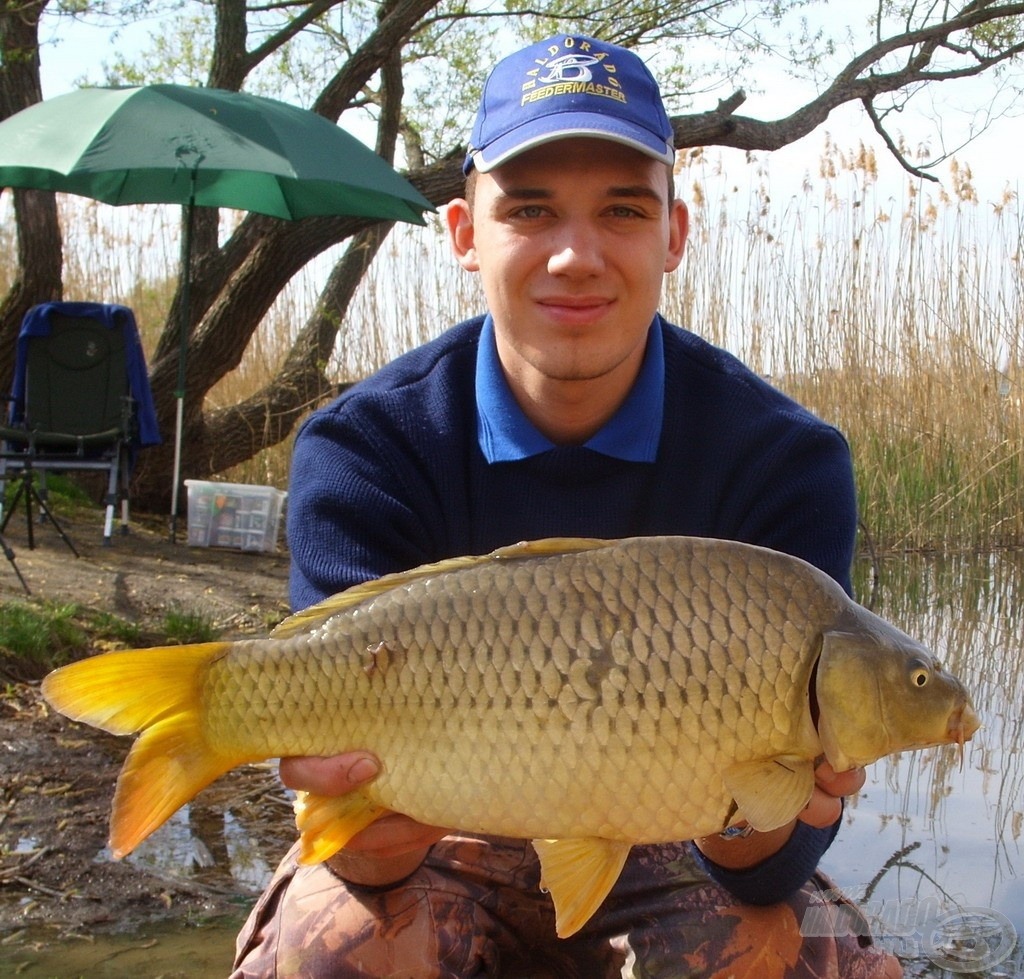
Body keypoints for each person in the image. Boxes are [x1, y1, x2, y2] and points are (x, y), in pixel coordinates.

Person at [233, 33, 901, 978]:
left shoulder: (785, 461)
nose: (576, 256)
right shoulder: (365, 449)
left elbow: (765, 873)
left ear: (674, 232)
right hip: (447, 832)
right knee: (326, 948)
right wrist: (363, 829)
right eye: (532, 211)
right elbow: (368, 856)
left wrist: (792, 802)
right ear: (466, 234)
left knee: (795, 959)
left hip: (677, 838)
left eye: (622, 210)